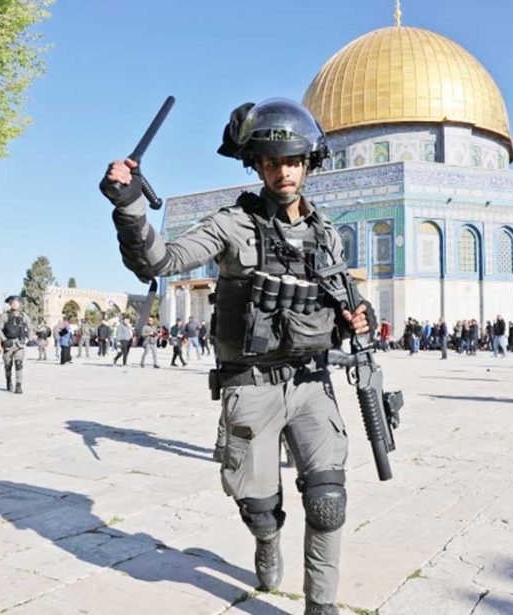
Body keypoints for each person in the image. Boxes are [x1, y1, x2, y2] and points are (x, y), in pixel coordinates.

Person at [101, 98, 374, 615]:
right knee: (259, 506)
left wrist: (353, 317)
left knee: (327, 500)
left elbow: (345, 302)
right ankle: (266, 538)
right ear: (257, 165)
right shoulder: (232, 224)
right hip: (251, 383)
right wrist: (129, 205)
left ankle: (321, 606)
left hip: (313, 384)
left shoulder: (327, 235)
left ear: (308, 163)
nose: (283, 172)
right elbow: (160, 261)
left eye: (293, 161)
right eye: (272, 162)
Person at [0, 295, 31, 394]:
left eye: (17, 302)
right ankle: (8, 380)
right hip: (8, 344)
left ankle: (18, 385)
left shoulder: (24, 316)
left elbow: (30, 328)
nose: (15, 304)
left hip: (19, 344)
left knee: (19, 364)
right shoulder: (5, 316)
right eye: (13, 302)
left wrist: (28, 339)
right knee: (8, 365)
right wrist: (4, 339)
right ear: (10, 304)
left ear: (20, 304)